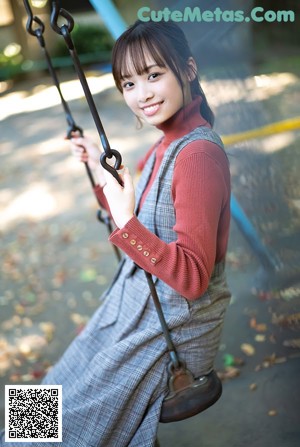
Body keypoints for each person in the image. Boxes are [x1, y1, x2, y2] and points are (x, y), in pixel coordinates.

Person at [1, 20, 231, 447]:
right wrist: (99, 170)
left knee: (65, 424)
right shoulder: (166, 144)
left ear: (189, 69)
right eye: (128, 82)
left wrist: (126, 223)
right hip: (137, 306)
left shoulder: (198, 154)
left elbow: (194, 279)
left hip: (172, 328)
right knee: (44, 399)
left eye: (154, 75)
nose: (141, 94)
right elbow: (144, 219)